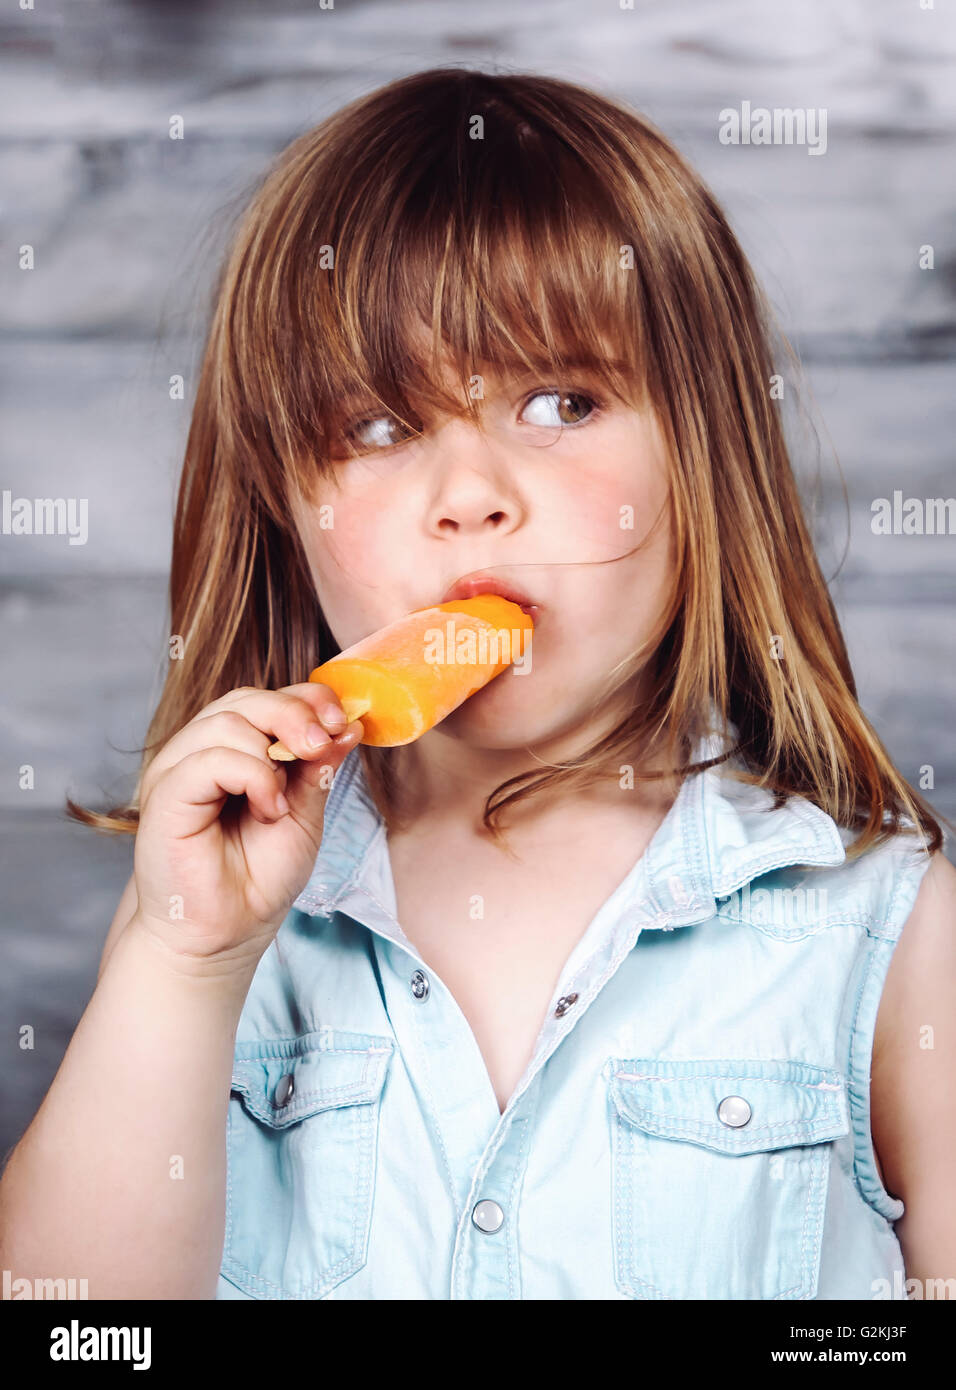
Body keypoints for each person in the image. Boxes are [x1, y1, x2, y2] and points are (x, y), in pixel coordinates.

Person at [2, 67, 954, 1301]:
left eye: (560, 401)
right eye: (379, 429)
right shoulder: (210, 923)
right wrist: (183, 963)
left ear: (702, 454)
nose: (469, 497)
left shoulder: (887, 929)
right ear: (284, 507)